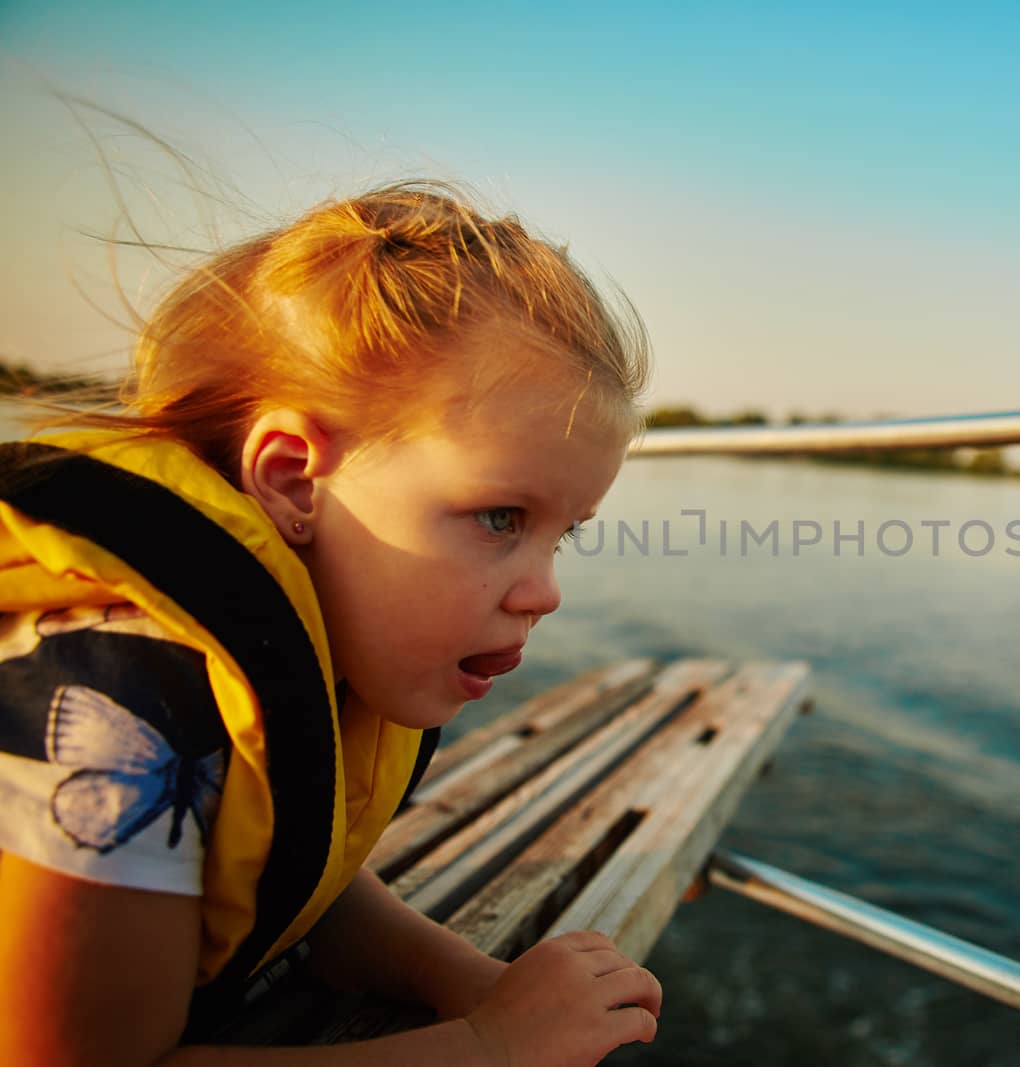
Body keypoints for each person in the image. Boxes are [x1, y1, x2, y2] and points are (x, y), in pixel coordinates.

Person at [0, 181, 661, 1065]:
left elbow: (306, 880)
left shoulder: (314, 653)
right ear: (293, 479)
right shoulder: (121, 698)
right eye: (502, 517)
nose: (544, 593)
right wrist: (487, 1047)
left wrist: (467, 979)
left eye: (564, 531)